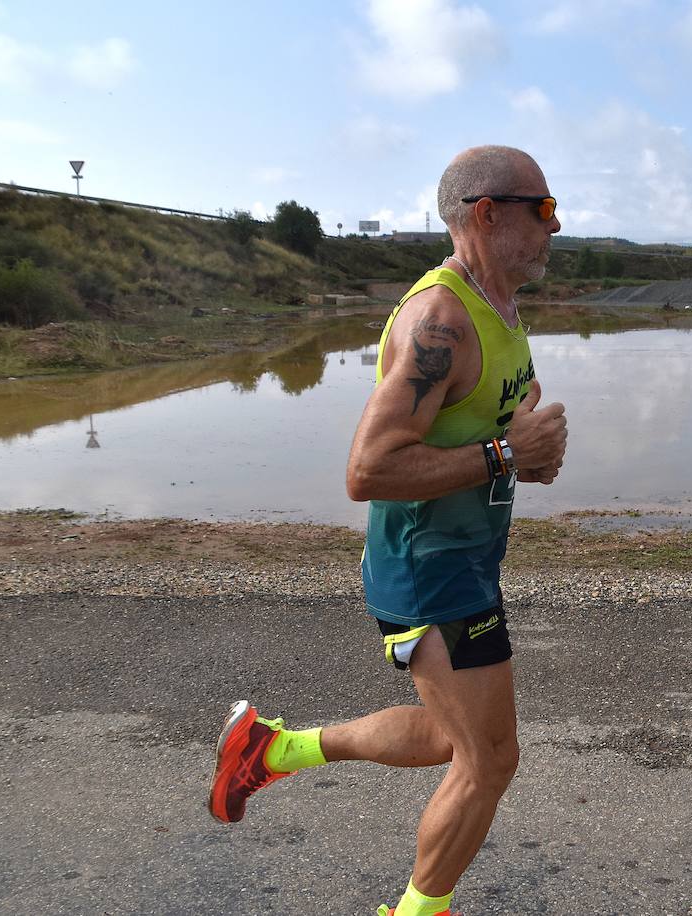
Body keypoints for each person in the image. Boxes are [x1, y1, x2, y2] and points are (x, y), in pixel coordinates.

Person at [208, 145, 568, 916]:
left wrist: (523, 439)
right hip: (430, 569)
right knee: (489, 761)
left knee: (449, 739)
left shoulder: (498, 305)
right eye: (541, 209)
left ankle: (272, 749)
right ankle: (416, 912)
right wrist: (507, 452)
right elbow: (367, 470)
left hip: (462, 559)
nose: (556, 224)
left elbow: (505, 398)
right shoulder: (440, 319)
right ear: (485, 213)